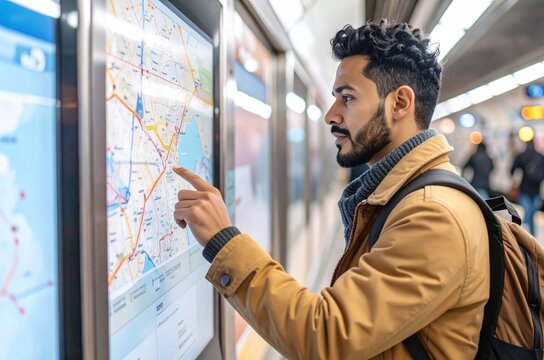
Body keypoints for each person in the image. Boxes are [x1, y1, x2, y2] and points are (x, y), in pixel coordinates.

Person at [173, 20, 489, 359]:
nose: (330, 115)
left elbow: (327, 336)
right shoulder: (403, 197)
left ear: (400, 104)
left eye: (347, 98)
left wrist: (224, 241)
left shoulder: (432, 215)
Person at [510, 138, 544, 236]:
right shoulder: (540, 156)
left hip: (524, 189)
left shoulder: (521, 156)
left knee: (528, 212)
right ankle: (531, 234)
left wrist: (514, 181)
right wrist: (540, 180)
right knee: (532, 213)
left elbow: (512, 169)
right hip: (536, 190)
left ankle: (524, 233)